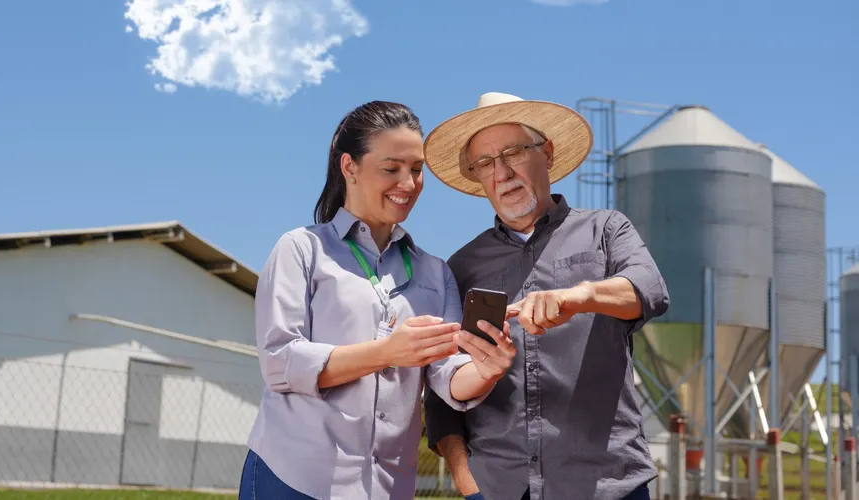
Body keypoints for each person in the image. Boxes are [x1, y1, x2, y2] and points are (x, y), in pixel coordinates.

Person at [239, 100, 518, 500]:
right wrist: (387, 352)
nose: (408, 183)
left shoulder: (435, 273)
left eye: (416, 170)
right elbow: (281, 362)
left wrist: (489, 368)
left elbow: (447, 374)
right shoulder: (301, 250)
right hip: (294, 478)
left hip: (386, 487)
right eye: (392, 169)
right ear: (349, 166)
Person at [421, 92, 671, 500]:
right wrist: (466, 479)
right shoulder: (461, 266)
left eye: (514, 152)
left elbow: (649, 289)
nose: (501, 172)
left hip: (607, 486)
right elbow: (441, 387)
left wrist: (579, 296)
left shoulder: (607, 231)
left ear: (547, 153)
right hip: (499, 489)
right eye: (485, 162)